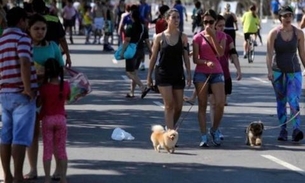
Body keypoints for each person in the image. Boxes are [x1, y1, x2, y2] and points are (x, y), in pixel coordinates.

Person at [24, 14, 65, 181]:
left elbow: (60, 70)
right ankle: (33, 169)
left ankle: (57, 171)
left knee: (54, 135)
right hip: (29, 96)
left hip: (50, 97)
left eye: (43, 29)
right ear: (29, 29)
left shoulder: (53, 46)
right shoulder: (24, 46)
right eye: (36, 29)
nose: (40, 32)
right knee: (32, 134)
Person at [0, 7, 38, 183]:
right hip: (20, 94)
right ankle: (17, 177)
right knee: (20, 138)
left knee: (5, 137)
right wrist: (28, 88)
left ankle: (6, 176)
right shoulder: (22, 38)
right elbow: (24, 62)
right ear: (21, 21)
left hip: (4, 92)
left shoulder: (1, 40)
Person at [147, 8, 191, 130]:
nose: (177, 20)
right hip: (163, 74)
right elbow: (154, 57)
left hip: (178, 74)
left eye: (178, 17)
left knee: (179, 107)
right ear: (167, 19)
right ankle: (170, 134)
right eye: (174, 17)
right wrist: (149, 75)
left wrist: (188, 73)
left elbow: (186, 57)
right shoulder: (159, 37)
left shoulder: (183, 37)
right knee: (169, 105)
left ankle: (169, 127)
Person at [266, 6, 305, 142]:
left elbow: (302, 53)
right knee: (281, 101)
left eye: (290, 15)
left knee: (293, 100)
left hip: (294, 71)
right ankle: (283, 130)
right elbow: (269, 53)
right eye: (285, 16)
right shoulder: (274, 33)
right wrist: (270, 70)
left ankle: (296, 129)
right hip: (278, 71)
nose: (288, 18)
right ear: (280, 18)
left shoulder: (299, 33)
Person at [192, 9, 226, 147]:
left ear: (215, 22)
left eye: (211, 22)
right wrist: (205, 62)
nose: (208, 24)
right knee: (202, 105)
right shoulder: (197, 37)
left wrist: (212, 36)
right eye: (205, 21)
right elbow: (195, 59)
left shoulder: (221, 35)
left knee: (220, 103)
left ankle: (214, 129)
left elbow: (220, 53)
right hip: (201, 73)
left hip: (217, 72)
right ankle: (203, 135)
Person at [39, 58, 70, 183]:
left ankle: (47, 178)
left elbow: (40, 102)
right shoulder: (66, 85)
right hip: (61, 119)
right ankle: (63, 178)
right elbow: (68, 98)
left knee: (48, 149)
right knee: (61, 149)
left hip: (47, 119)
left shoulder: (44, 88)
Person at [119, 9, 152, 98]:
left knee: (129, 72)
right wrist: (150, 51)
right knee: (134, 72)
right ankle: (132, 92)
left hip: (131, 52)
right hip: (141, 51)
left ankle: (143, 87)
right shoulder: (143, 27)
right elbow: (147, 41)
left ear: (131, 17)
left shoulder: (130, 26)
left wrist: (122, 52)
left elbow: (127, 41)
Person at [31, 0, 72, 67]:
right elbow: (62, 39)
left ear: (32, 8)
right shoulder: (54, 19)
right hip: (53, 54)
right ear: (44, 8)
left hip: (33, 55)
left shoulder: (29, 21)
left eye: (43, 29)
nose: (41, 32)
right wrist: (68, 56)